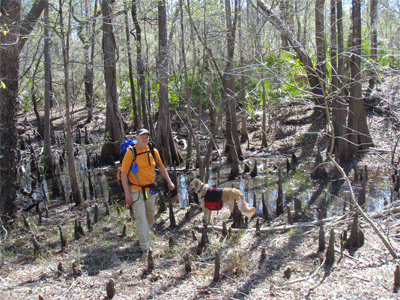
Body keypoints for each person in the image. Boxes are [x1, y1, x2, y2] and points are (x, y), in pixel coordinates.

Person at [120, 128, 175, 254]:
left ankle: (144, 235)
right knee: (141, 218)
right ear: (137, 138)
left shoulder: (153, 151)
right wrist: (127, 193)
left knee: (150, 215)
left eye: (147, 137)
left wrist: (169, 181)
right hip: (135, 190)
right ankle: (145, 248)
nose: (145, 139)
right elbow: (123, 173)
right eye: (142, 137)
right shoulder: (131, 152)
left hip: (150, 189)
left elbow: (160, 167)